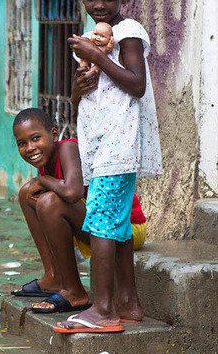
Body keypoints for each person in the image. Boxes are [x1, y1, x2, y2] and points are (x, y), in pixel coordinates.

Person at [54, 0, 162, 334]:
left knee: (100, 222)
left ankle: (102, 311)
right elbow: (86, 99)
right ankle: (128, 303)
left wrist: (95, 58)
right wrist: (78, 88)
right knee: (114, 226)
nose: (100, 6)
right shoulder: (89, 41)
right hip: (101, 147)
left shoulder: (128, 32)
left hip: (121, 144)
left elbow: (135, 84)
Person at [11, 108, 148, 314]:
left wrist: (43, 180)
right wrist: (41, 180)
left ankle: (75, 291)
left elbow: (72, 192)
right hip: (94, 224)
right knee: (26, 194)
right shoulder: (45, 162)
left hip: (125, 228)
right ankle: (53, 276)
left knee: (48, 201)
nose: (30, 148)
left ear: (54, 135)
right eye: (22, 143)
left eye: (36, 138)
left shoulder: (67, 149)